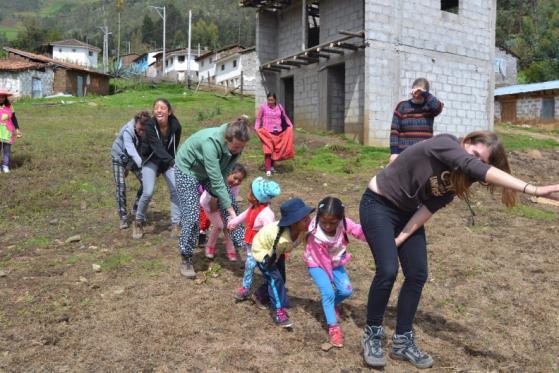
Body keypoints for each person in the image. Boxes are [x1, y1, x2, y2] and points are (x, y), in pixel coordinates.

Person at [359, 131, 559, 369]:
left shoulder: (461, 177)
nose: (475, 164)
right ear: (465, 143)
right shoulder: (444, 143)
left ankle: (402, 341)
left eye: (482, 162)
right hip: (378, 203)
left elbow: (428, 209)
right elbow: (468, 164)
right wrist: (534, 189)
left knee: (417, 274)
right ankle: (372, 334)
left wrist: (400, 239)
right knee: (388, 270)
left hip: (407, 215)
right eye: (474, 155)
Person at [174, 117, 250, 279]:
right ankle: (186, 257)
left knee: (228, 200)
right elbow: (216, 180)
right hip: (187, 169)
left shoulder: (236, 146)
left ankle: (243, 245)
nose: (238, 151)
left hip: (209, 172)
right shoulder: (210, 143)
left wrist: (229, 207)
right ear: (226, 139)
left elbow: (224, 173)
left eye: (241, 147)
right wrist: (229, 208)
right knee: (192, 216)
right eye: (236, 147)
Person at [304, 197, 366, 348]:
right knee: (328, 293)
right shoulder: (316, 234)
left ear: (340, 218)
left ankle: (330, 305)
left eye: (332, 222)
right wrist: (331, 279)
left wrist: (375, 238)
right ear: (319, 217)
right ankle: (333, 328)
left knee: (345, 291)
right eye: (324, 221)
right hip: (317, 263)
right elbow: (322, 260)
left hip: (335, 262)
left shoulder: (344, 223)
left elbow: (358, 231)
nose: (327, 226)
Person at [250, 197, 314, 328]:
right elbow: (272, 255)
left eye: (308, 217)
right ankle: (278, 311)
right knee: (275, 279)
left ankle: (259, 295)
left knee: (281, 279)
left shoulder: (302, 230)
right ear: (294, 223)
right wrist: (271, 268)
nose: (309, 221)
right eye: (305, 219)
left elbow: (310, 241)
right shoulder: (280, 238)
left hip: (277, 252)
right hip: (263, 251)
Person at [133, 98, 182, 240]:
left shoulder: (176, 125)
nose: (159, 110)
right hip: (151, 160)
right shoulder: (149, 125)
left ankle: (175, 224)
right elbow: (157, 147)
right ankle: (138, 222)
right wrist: (172, 162)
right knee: (147, 192)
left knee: (176, 189)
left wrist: (171, 162)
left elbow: (174, 146)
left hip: (166, 160)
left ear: (169, 111)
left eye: (162, 108)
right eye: (156, 108)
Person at [228, 176, 281, 301]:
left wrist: (270, 250)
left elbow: (270, 232)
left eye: (249, 192)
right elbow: (243, 215)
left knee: (265, 269)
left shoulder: (267, 214)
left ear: (256, 197)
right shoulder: (253, 207)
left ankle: (268, 289)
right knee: (250, 265)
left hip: (262, 249)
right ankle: (245, 288)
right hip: (251, 246)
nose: (247, 193)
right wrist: (234, 222)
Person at [111, 111, 150, 229]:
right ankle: (123, 217)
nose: (141, 132)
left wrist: (129, 166)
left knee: (147, 182)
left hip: (132, 160)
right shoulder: (128, 131)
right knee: (121, 186)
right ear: (135, 123)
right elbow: (131, 150)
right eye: (139, 129)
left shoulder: (146, 131)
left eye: (144, 130)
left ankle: (136, 209)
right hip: (119, 157)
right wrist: (141, 165)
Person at [389, 78, 443, 163]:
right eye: (415, 90)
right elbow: (395, 130)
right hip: (404, 153)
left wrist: (424, 94)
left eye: (419, 92)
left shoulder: (430, 107)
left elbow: (438, 107)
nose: (416, 94)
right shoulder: (402, 106)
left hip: (424, 154)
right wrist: (394, 152)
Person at [201, 163, 247, 261]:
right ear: (228, 174)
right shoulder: (219, 183)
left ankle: (231, 251)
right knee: (219, 226)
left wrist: (230, 217)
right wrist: (220, 212)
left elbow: (232, 201)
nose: (236, 182)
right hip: (209, 205)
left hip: (224, 207)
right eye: (235, 178)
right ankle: (209, 247)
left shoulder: (236, 187)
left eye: (239, 180)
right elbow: (213, 204)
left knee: (229, 226)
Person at [254, 93, 294, 177]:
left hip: (278, 132)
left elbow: (284, 116)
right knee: (268, 150)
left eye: (272, 100)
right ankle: (268, 169)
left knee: (275, 150)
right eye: (268, 100)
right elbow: (258, 118)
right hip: (267, 132)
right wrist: (256, 128)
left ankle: (271, 166)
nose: (270, 101)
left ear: (275, 100)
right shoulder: (263, 107)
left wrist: (290, 125)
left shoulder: (279, 107)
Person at [0, 90, 22, 173]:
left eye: (2, 97)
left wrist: (17, 128)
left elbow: (13, 118)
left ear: (5, 98)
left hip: (7, 131)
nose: (0, 98)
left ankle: (5, 166)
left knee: (7, 149)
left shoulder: (9, 106)